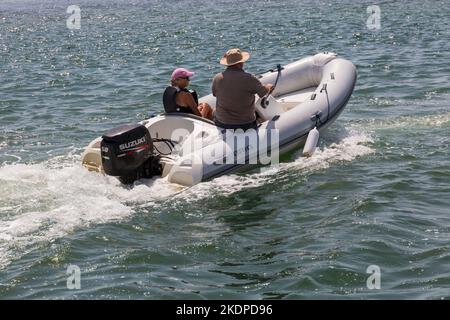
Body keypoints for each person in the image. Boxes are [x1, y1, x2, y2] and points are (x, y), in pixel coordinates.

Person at [212, 48, 273, 130]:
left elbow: (214, 94)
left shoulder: (217, 78)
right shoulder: (249, 78)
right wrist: (269, 86)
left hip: (222, 123)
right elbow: (262, 93)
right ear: (241, 63)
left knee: (214, 111)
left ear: (227, 64)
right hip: (245, 125)